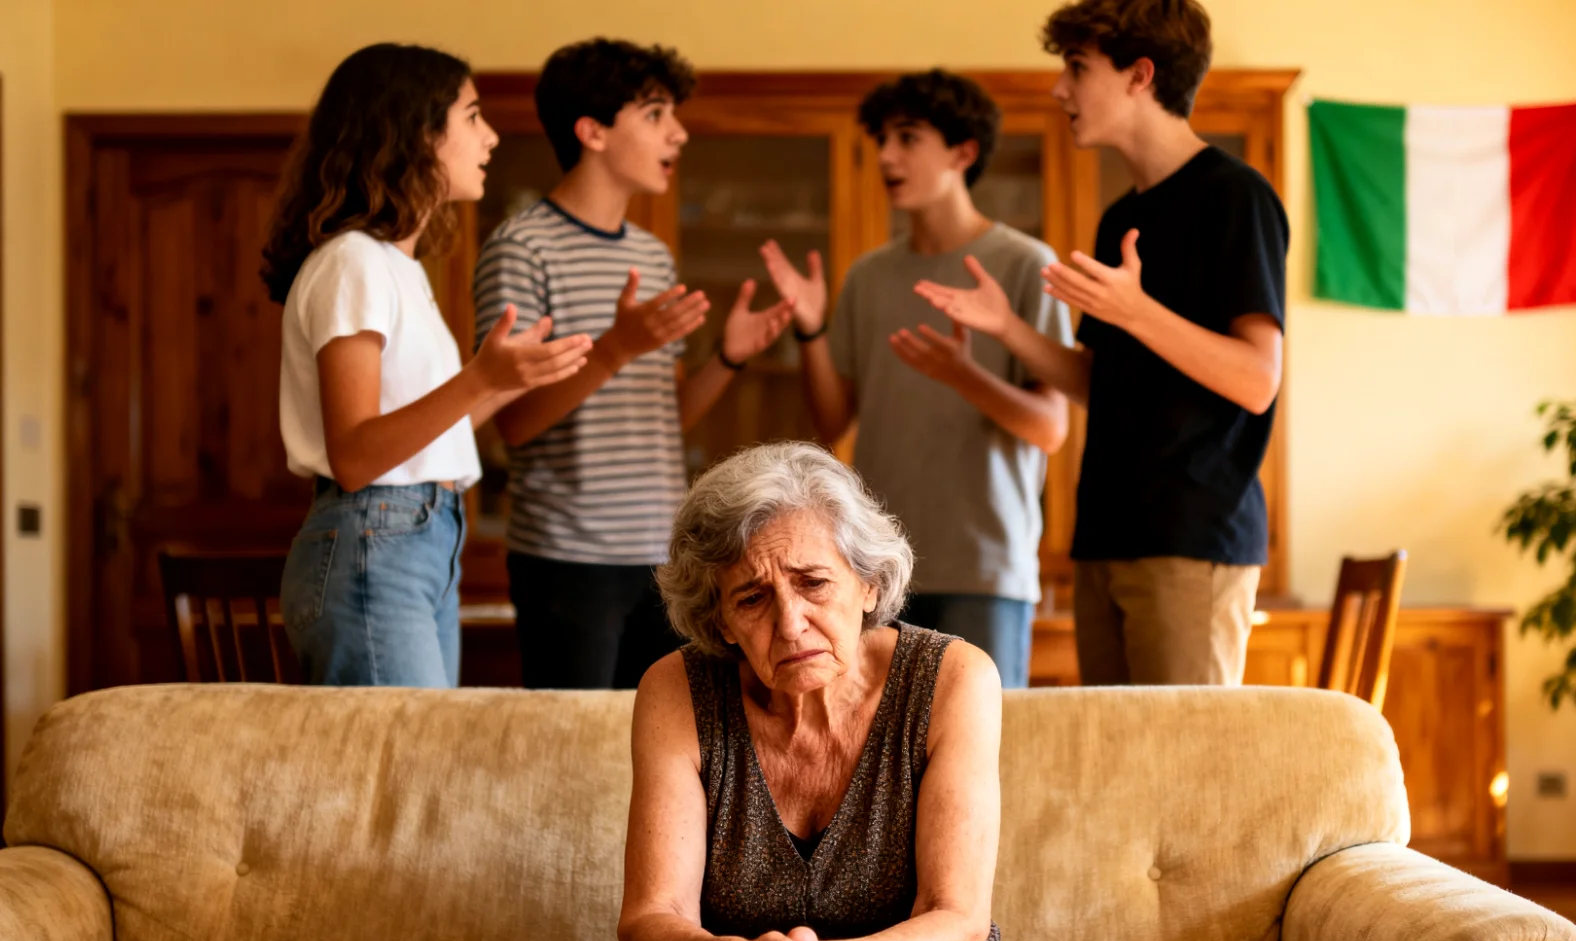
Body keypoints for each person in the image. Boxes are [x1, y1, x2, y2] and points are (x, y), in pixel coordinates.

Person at [916, 0, 1289, 686]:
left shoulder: (1237, 198)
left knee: (1183, 775)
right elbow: (1099, 381)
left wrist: (1138, 311)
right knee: (1121, 774)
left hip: (1190, 542)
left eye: (1078, 68)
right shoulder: (1123, 214)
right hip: (1105, 538)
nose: (1061, 88)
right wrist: (1008, 328)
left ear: (1139, 76)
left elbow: (1257, 379)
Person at [606, 441, 1025, 941]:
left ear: (869, 583)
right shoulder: (677, 689)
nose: (790, 623)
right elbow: (653, 919)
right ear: (721, 621)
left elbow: (954, 922)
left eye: (813, 583)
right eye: (752, 598)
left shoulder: (953, 678)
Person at [265, 43, 593, 687]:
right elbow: (357, 456)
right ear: (415, 134)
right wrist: (480, 379)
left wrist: (506, 382)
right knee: (403, 781)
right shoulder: (352, 262)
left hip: (417, 541)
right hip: (376, 541)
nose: (491, 137)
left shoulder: (397, 269)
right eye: (473, 116)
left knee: (417, 773)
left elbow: (422, 436)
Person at [475, 38, 794, 691]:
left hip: (664, 559)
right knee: (577, 759)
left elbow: (665, 419)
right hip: (566, 559)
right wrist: (615, 347)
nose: (677, 131)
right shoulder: (521, 247)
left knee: (666, 754)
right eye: (654, 114)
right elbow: (511, 424)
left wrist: (728, 357)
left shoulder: (651, 256)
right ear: (591, 131)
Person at [760, 70, 1074, 689]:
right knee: (877, 763)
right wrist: (811, 329)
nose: (886, 156)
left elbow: (1050, 428)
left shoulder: (1024, 264)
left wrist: (965, 376)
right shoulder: (870, 276)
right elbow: (832, 422)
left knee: (975, 764)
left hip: (983, 570)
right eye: (882, 139)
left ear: (962, 152)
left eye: (907, 138)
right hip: (871, 570)